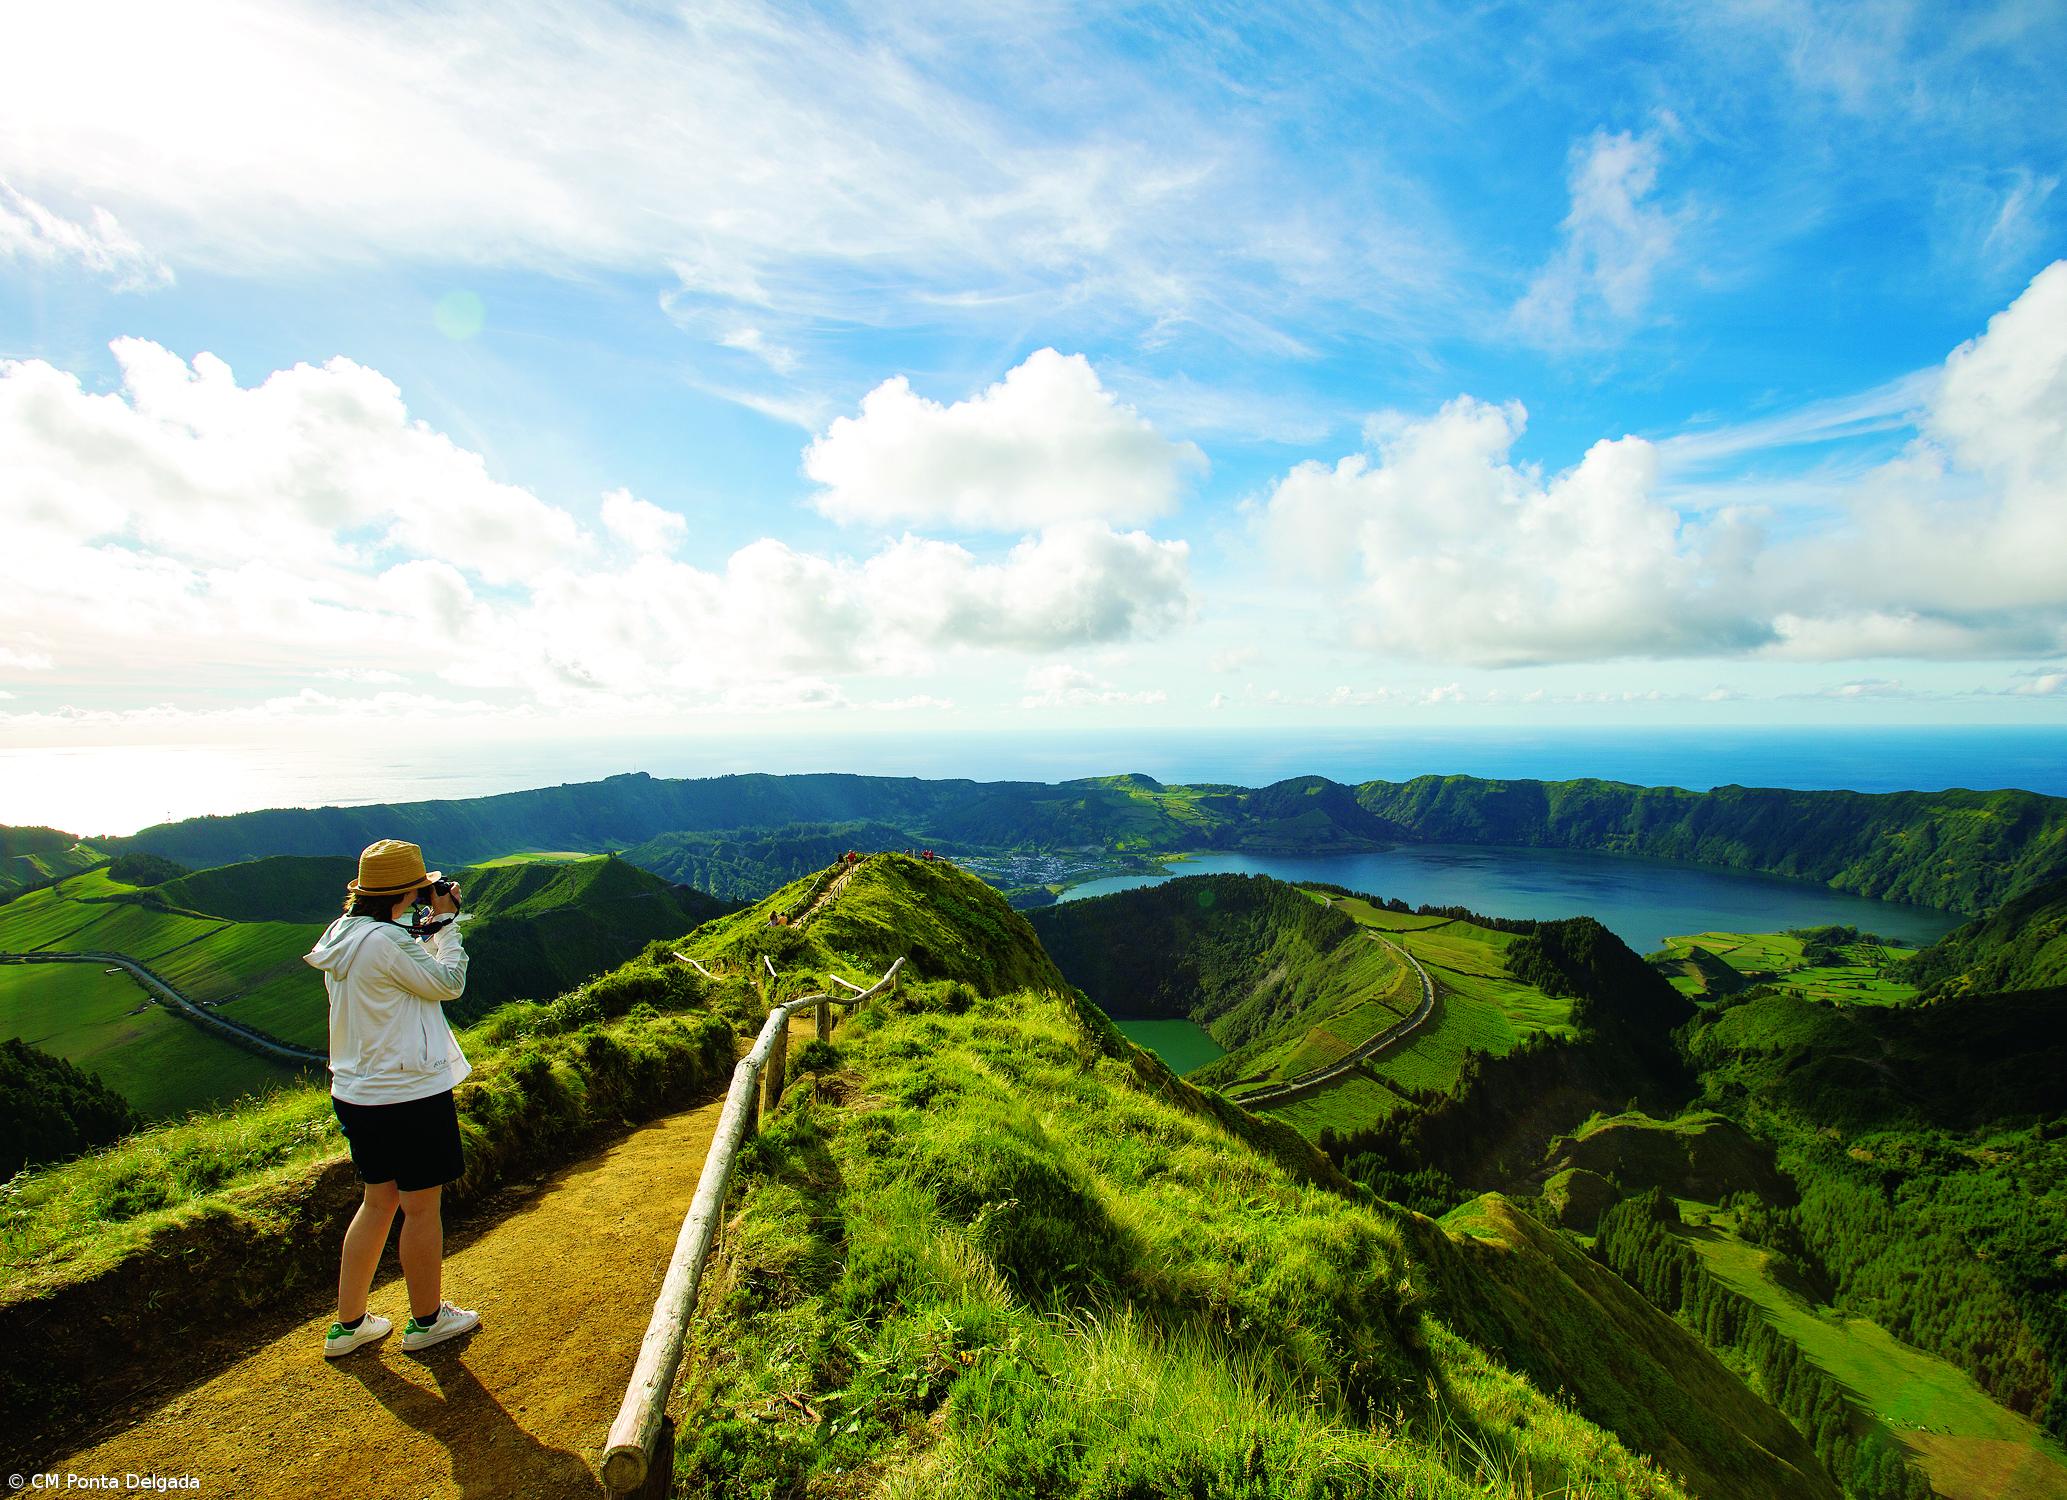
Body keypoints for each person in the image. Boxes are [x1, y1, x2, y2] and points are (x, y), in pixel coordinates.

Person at [305, 838, 482, 1359]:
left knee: (377, 1203)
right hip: (408, 1091)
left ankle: (349, 1324)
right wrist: (448, 924)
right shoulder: (386, 941)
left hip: (356, 1092)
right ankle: (427, 1321)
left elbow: (402, 968)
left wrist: (426, 917)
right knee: (421, 1209)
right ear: (409, 888)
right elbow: (448, 982)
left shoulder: (345, 933)